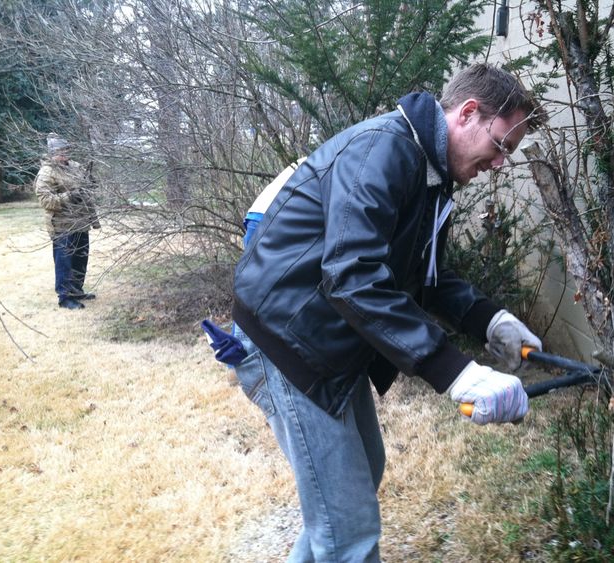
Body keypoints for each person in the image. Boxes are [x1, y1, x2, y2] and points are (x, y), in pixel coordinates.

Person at [230, 63, 543, 562]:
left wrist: (489, 319)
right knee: (349, 530)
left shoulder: (431, 175)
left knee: (356, 485)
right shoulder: (384, 150)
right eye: (502, 145)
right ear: (467, 113)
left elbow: (428, 276)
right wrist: (454, 373)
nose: (501, 163)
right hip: (285, 341)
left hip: (326, 340)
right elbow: (352, 276)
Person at [35, 133, 101, 310]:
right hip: (62, 225)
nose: (64, 154)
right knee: (65, 262)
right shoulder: (46, 172)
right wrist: (70, 196)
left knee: (80, 259)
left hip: (80, 222)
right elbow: (46, 201)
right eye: (59, 151)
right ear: (51, 153)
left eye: (66, 150)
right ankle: (65, 297)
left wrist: (90, 182)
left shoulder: (75, 166)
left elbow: (88, 186)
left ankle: (77, 290)